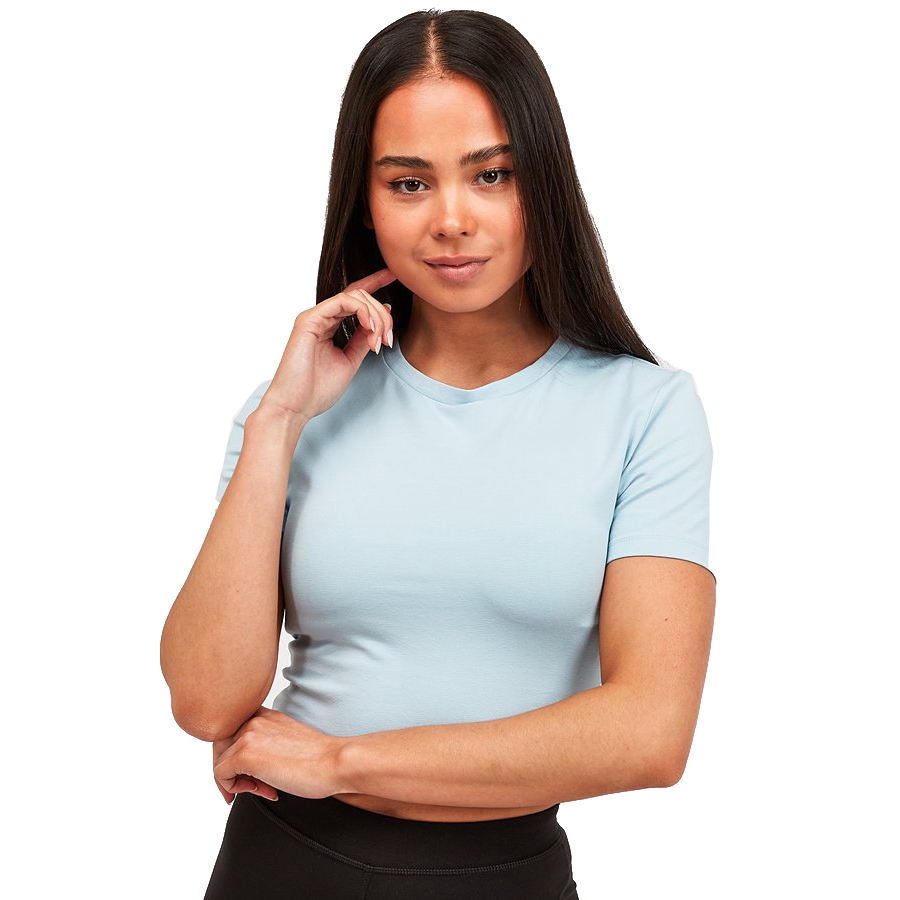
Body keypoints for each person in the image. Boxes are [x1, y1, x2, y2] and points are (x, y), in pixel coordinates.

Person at [160, 10, 716, 899]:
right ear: (366, 202)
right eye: (409, 183)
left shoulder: (645, 411)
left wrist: (341, 760)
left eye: (492, 174)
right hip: (284, 864)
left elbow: (650, 734)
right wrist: (278, 423)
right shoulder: (292, 409)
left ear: (544, 183)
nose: (452, 220)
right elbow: (206, 702)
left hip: (507, 873)